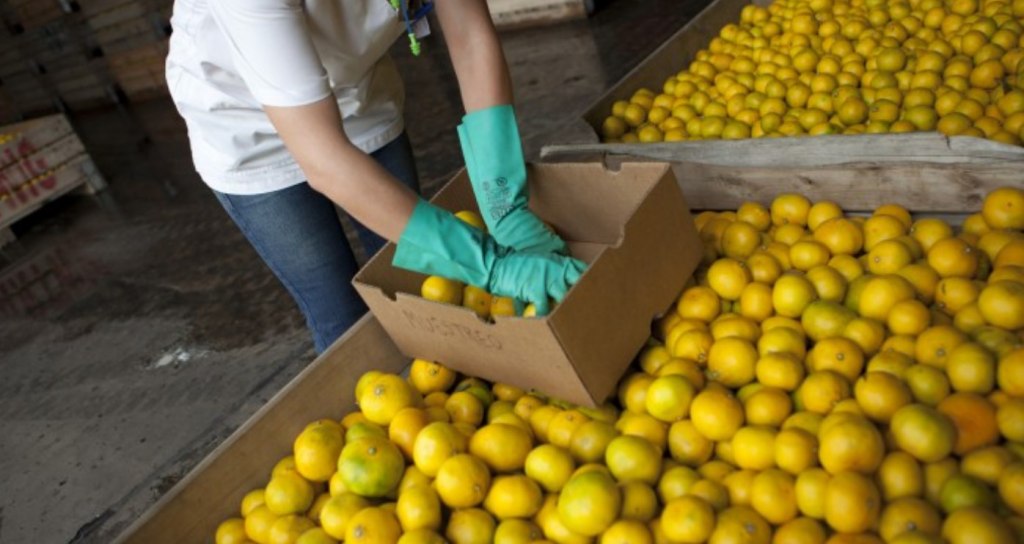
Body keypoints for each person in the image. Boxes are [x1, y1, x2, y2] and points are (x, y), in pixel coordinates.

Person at [165, 0, 585, 353]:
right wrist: (491, 267)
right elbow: (323, 158)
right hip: (247, 129)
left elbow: (471, 38)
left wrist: (503, 203)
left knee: (426, 285)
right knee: (344, 317)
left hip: (358, 95)